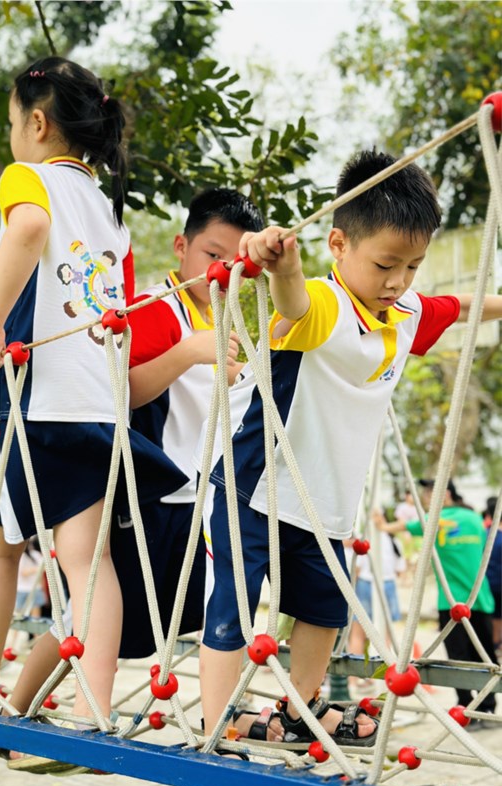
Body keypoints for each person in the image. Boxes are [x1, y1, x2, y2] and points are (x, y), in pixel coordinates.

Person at [196, 149, 502, 749]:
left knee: (323, 612)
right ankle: (213, 735)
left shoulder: (403, 311)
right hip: (256, 484)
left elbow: (462, 307)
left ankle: (299, 710)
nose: (398, 281)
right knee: (233, 608)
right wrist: (284, 263)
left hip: (326, 501)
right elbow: (293, 301)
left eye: (412, 266)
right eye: (386, 263)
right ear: (338, 244)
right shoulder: (324, 302)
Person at [0, 56, 185, 740]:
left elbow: (28, 228)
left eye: (12, 122)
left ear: (37, 123)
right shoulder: (111, 213)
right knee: (89, 562)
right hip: (95, 408)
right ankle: (93, 708)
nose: (13, 136)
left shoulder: (27, 177)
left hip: (25, 402)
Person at [111, 188, 264, 656]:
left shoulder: (219, 316)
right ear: (181, 246)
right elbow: (124, 392)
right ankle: (21, 696)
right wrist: (187, 353)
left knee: (201, 621)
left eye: (237, 266)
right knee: (107, 627)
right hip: (152, 500)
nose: (222, 272)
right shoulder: (156, 309)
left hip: (200, 499)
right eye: (212, 255)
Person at [374, 479, 498, 718]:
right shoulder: (474, 518)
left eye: (428, 494)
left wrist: (380, 523)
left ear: (445, 493)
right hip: (481, 599)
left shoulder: (434, 520)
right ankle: (488, 706)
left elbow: (398, 527)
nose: (425, 500)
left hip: (451, 603)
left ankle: (466, 707)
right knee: (485, 656)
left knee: (457, 659)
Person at [345, 530, 405, 693]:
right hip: (388, 584)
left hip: (365, 583)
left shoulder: (366, 538)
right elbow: (400, 569)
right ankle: (383, 678)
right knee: (384, 636)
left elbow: (356, 567)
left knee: (357, 634)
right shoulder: (393, 540)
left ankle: (353, 680)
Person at [483, 496, 502, 658]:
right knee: (498, 617)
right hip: (498, 582)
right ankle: (497, 644)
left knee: (494, 616)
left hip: (487, 582)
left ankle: (495, 645)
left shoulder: (485, 534)